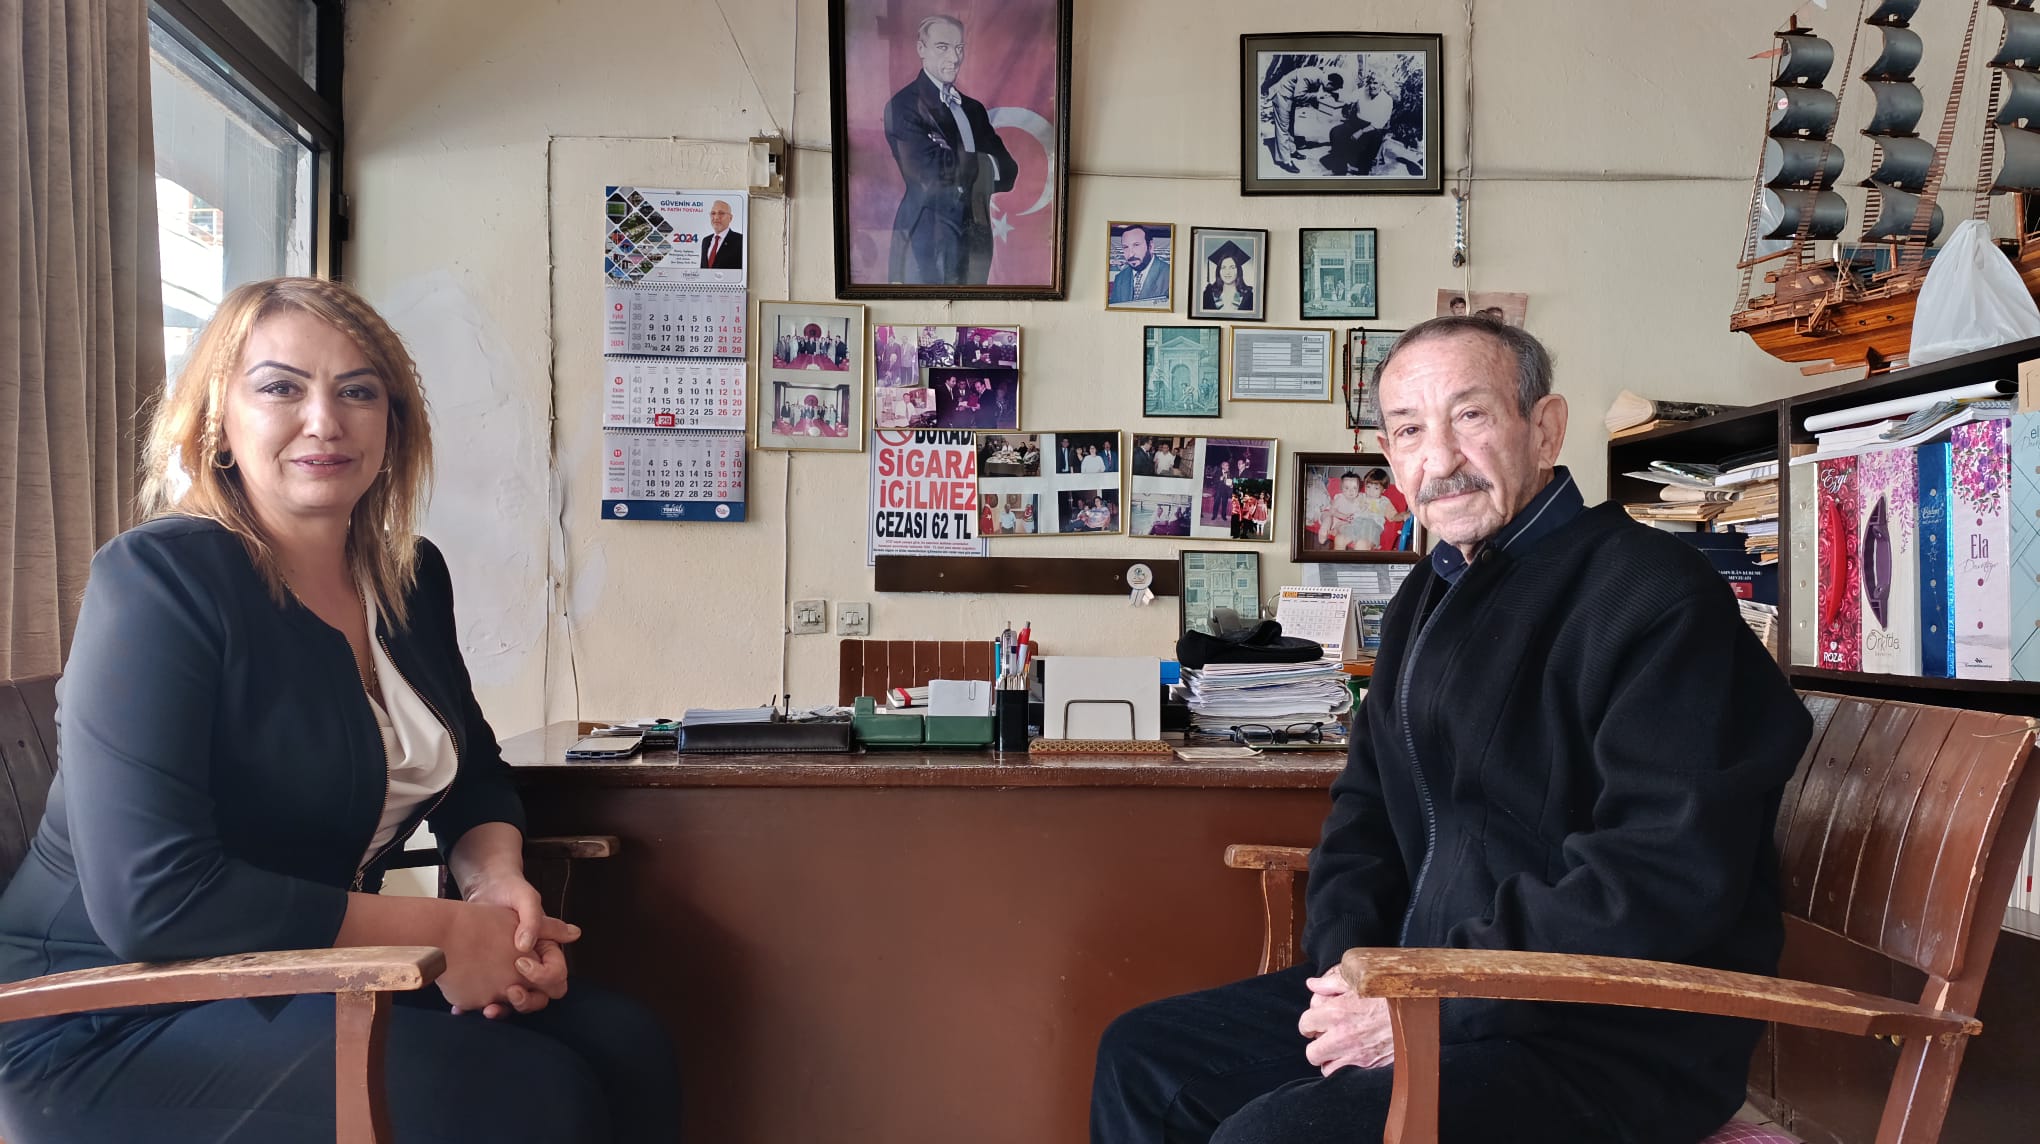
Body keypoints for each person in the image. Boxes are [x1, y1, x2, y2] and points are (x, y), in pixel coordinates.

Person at [1090, 315, 1813, 1144]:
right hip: (1433, 987)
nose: (1439, 458)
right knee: (1147, 1061)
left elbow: (1658, 875)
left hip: (1603, 1031)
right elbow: (1364, 809)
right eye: (1409, 430)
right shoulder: (1427, 597)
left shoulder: (1653, 595)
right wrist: (1351, 971)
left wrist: (1428, 997)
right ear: (1389, 458)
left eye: (1470, 415)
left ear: (1544, 429)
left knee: (1277, 1136)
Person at [0, 278, 677, 1143]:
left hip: (310, 978)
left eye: (358, 391)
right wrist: (440, 933)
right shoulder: (161, 580)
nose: (324, 420)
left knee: (626, 1046)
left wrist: (495, 892)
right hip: (104, 1011)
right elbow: (155, 900)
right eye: (280, 387)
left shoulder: (410, 578)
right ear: (218, 421)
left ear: (394, 426)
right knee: (526, 1094)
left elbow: (473, 773)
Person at [883, 14, 1018, 285]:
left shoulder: (973, 109)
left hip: (975, 239)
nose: (954, 58)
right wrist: (982, 164)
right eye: (943, 47)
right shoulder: (903, 105)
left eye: (959, 48)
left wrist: (957, 161)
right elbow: (930, 174)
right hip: (926, 240)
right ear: (921, 49)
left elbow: (1008, 172)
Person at [1261, 64, 1346, 173]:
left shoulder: (1320, 77)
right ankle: (1285, 160)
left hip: (1290, 96)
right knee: (1283, 128)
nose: (1329, 92)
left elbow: (1306, 95)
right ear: (1329, 83)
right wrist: (1317, 96)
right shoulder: (1311, 76)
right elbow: (1299, 96)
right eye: (1331, 89)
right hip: (1282, 94)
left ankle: (1291, 150)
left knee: (1290, 125)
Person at [1109, 225, 1170, 306]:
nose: (1131, 254)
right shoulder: (1120, 278)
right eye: (1125, 247)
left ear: (1151, 246)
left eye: (1136, 245)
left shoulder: (1170, 275)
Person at [1199, 240, 1255, 314]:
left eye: (1232, 267)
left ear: (1238, 270)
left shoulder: (1249, 297)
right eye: (1223, 267)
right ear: (1218, 271)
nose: (1227, 272)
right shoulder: (1208, 296)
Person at [700, 198, 744, 270]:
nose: (716, 217)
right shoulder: (705, 241)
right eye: (713, 213)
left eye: (721, 213)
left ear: (730, 218)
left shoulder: (740, 240)